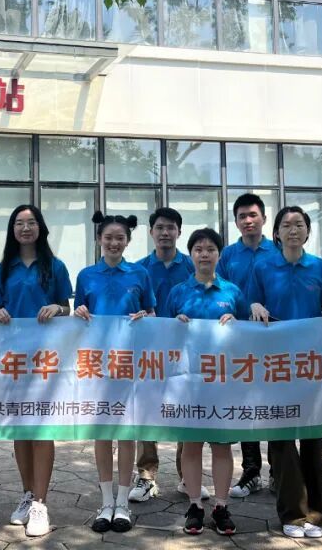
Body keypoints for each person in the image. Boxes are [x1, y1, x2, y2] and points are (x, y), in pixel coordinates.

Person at [248, 206, 322, 539]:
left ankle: (319, 514)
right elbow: (251, 303)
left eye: (299, 224)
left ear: (308, 231)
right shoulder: (263, 267)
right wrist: (254, 306)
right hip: (277, 366)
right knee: (282, 442)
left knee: (313, 441)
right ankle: (292, 515)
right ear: (277, 233)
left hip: (313, 366)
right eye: (286, 225)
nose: (293, 230)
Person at [0, 205, 73, 538]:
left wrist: (57, 308)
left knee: (41, 428)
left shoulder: (55, 266)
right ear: (12, 230)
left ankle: (40, 502)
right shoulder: (4, 268)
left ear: (41, 228)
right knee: (21, 429)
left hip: (46, 359)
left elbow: (66, 307)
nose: (26, 228)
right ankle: (27, 494)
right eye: (19, 223)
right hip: (13, 360)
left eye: (32, 222)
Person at [74, 212, 156, 534]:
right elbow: (78, 316)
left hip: (129, 363)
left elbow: (152, 313)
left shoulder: (140, 273)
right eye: (108, 237)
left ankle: (123, 502)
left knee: (125, 432)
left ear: (127, 241)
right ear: (99, 240)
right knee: (102, 432)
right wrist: (79, 312)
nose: (113, 243)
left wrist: (145, 317)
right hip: (97, 365)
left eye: (119, 238)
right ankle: (105, 501)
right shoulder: (86, 275)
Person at [163, 227, 246, 536]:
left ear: (219, 255)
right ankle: (195, 504)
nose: (204, 254)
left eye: (210, 249)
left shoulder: (232, 292)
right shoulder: (178, 292)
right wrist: (174, 325)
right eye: (198, 249)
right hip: (188, 382)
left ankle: (221, 506)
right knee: (192, 444)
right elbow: (161, 333)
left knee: (222, 445)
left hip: (223, 381)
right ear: (191, 255)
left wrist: (237, 324)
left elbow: (249, 334)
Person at [131, 208, 202, 504]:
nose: (165, 233)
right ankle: (146, 476)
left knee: (186, 409)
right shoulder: (139, 269)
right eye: (159, 227)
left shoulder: (193, 266)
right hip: (148, 352)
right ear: (151, 232)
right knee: (146, 410)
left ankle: (187, 477)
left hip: (186, 351)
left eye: (170, 227)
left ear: (179, 232)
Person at [217, 192, 279, 498]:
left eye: (253, 215)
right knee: (246, 403)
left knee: (277, 401)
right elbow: (219, 291)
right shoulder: (228, 255)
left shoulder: (278, 251)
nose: (248, 221)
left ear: (264, 218)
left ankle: (280, 471)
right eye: (242, 216)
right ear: (236, 221)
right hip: (239, 340)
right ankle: (251, 471)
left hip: (275, 337)